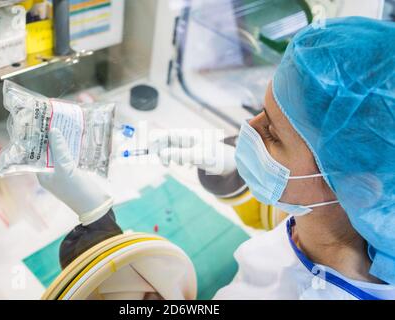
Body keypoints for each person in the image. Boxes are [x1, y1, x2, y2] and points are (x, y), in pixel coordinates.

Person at [37, 17, 395, 299]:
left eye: (271, 132)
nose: (247, 130)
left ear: (357, 188)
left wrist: (99, 234)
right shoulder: (360, 229)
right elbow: (294, 213)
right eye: (260, 113)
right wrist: (233, 172)